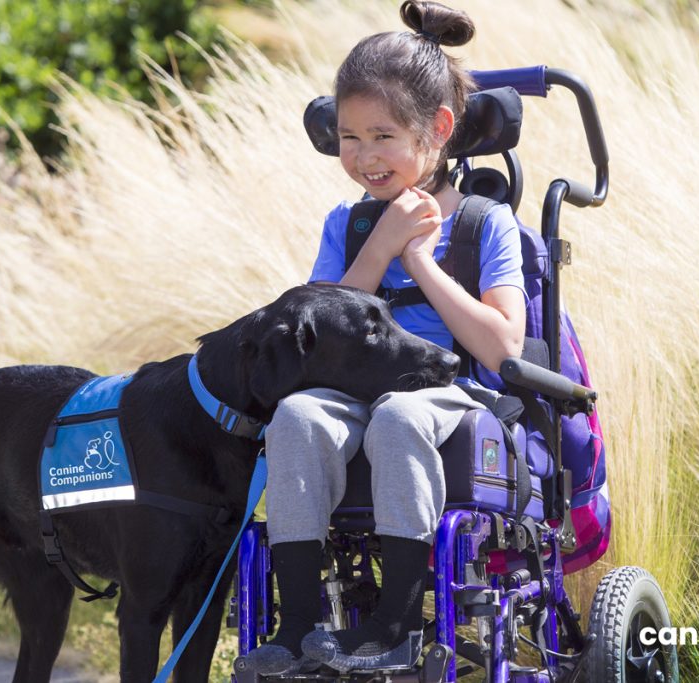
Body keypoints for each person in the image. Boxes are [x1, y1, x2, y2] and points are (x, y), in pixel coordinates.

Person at [240, 0, 527, 675]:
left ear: (439, 130)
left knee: (400, 416)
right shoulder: (346, 223)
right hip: (350, 394)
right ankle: (301, 626)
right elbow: (314, 333)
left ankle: (396, 622)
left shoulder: (485, 224)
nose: (364, 157)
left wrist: (420, 260)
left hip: (449, 394)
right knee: (296, 415)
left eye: (382, 136)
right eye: (348, 138)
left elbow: (502, 350)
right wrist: (382, 245)